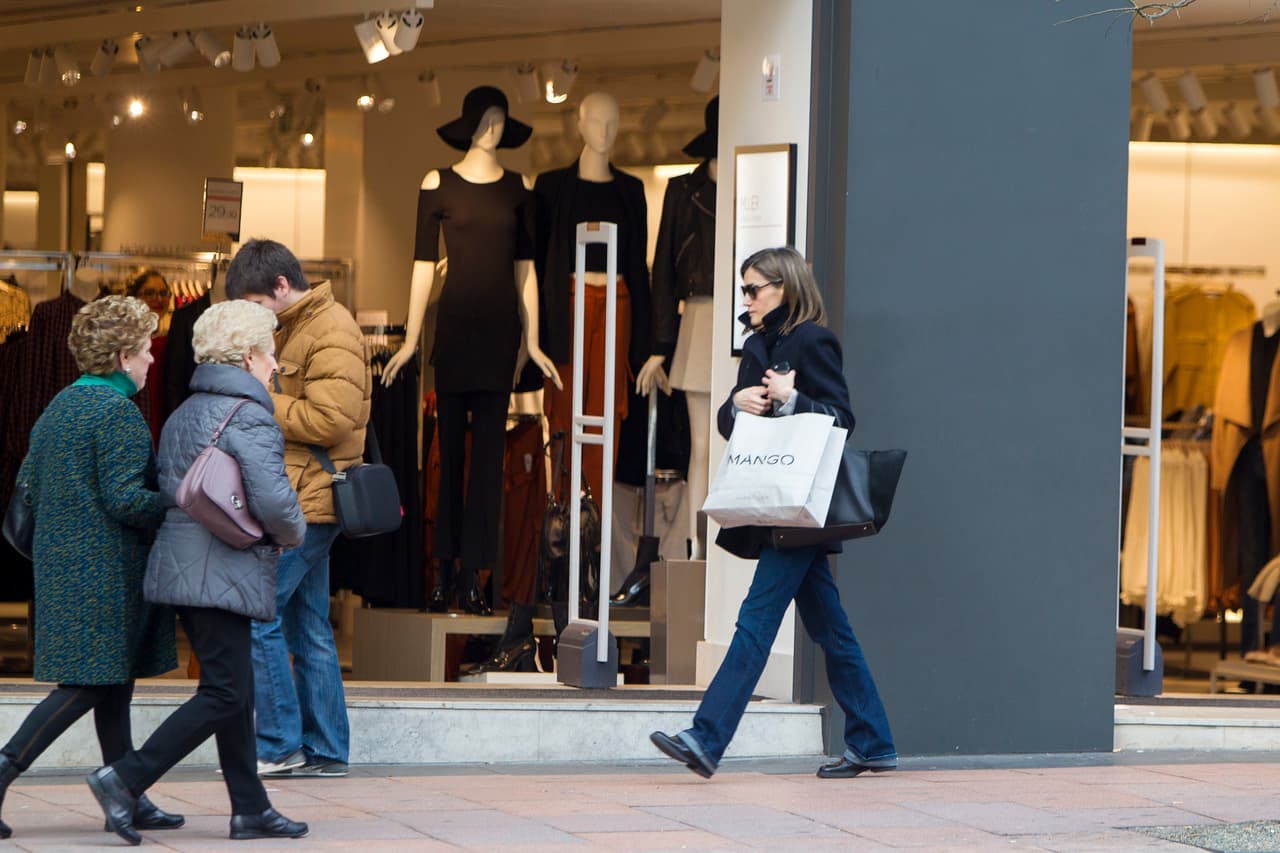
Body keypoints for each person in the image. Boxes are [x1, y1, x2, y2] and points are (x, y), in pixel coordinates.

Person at [649, 246, 897, 780]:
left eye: (753, 288)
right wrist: (733, 406)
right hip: (776, 504)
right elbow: (733, 419)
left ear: (783, 287)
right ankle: (874, 741)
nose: (747, 298)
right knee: (833, 633)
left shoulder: (813, 340)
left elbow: (841, 419)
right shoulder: (758, 343)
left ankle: (708, 737)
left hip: (799, 508)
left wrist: (795, 397)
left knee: (756, 620)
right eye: (744, 289)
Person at [85, 299, 310, 845]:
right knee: (228, 693)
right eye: (271, 354)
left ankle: (250, 809)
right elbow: (275, 502)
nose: (276, 365)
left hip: (188, 568)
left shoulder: (189, 408)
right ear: (249, 355)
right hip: (222, 568)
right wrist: (294, 534)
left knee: (236, 688)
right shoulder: (250, 414)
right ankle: (125, 778)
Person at [0, 296, 183, 839]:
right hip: (103, 573)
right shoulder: (117, 413)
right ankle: (5, 766)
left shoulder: (59, 406)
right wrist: (176, 498)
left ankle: (128, 793)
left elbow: (30, 486)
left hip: (61, 567)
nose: (152, 360)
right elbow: (127, 500)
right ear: (124, 355)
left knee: (113, 685)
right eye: (147, 350)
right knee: (87, 687)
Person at [227, 238, 370, 778]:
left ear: (281, 287)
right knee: (308, 623)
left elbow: (331, 420)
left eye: (256, 304)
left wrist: (260, 394)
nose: (254, 316)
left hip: (312, 500)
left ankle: (280, 743)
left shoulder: (331, 328)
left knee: (257, 613)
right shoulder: (300, 327)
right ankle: (327, 750)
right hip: (303, 496)